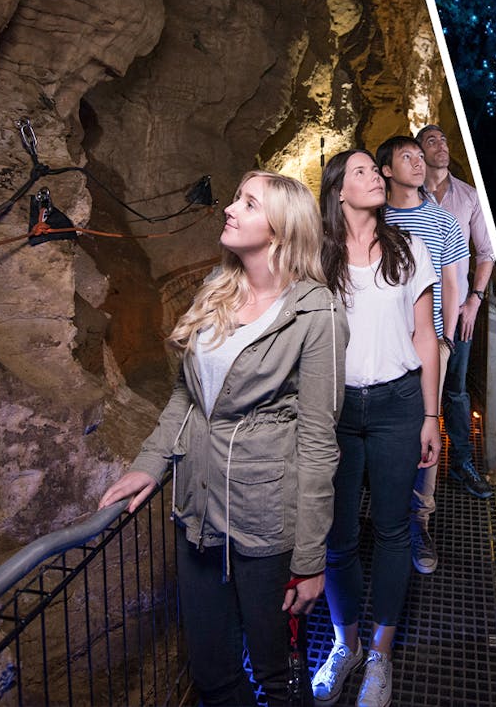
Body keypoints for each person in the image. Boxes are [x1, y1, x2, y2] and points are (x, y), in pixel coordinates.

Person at [98, 171, 347, 707]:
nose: (230, 209)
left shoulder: (316, 312)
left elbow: (319, 442)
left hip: (265, 520)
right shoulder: (218, 288)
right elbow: (187, 399)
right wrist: (151, 463)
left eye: (247, 203)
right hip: (197, 513)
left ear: (280, 229)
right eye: (237, 198)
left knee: (277, 675)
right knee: (212, 672)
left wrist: (309, 558)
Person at [313, 149, 442, 707]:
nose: (374, 177)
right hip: (335, 413)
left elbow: (425, 336)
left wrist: (432, 415)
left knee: (392, 531)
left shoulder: (410, 248)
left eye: (375, 169)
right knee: (338, 539)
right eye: (362, 170)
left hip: (397, 405)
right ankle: (347, 646)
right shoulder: (315, 256)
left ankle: (382, 655)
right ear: (339, 189)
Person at [378, 135, 467, 576]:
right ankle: (386, 519)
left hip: (428, 341)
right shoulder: (374, 220)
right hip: (381, 341)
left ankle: (419, 522)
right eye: (406, 157)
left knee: (428, 431)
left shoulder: (444, 222)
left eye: (419, 155)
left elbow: (453, 284)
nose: (417, 162)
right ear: (387, 170)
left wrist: (447, 339)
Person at [416, 124, 496, 502]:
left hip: (457, 311)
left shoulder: (468, 196)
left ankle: (461, 462)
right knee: (413, 391)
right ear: (418, 152)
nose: (441, 145)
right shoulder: (408, 198)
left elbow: (486, 252)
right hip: (414, 315)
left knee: (457, 391)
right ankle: (410, 466)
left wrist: (474, 301)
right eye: (431, 141)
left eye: (444, 139)